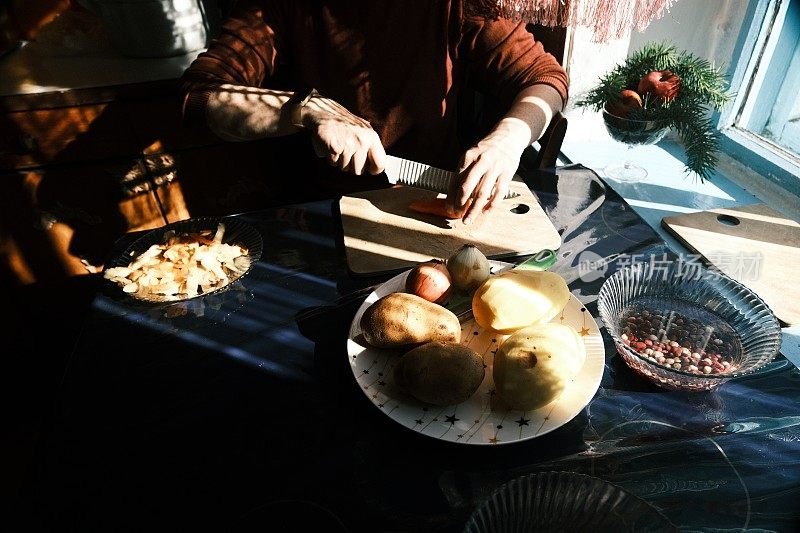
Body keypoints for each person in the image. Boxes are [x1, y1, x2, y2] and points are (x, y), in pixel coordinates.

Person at [180, 0, 568, 224]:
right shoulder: (281, 6)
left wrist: (508, 139)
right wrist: (305, 109)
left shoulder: (455, 5)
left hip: (435, 210)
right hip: (320, 217)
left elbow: (546, 79)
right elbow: (198, 100)